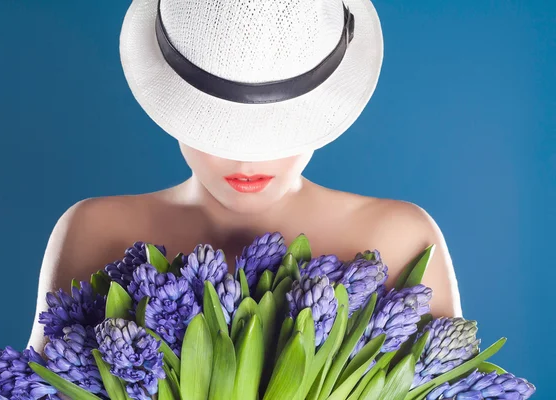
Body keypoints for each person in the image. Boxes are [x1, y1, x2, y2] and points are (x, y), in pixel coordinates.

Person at [26, 0, 462, 356]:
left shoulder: (400, 239)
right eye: (219, 125)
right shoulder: (95, 231)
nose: (246, 156)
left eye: (278, 126)